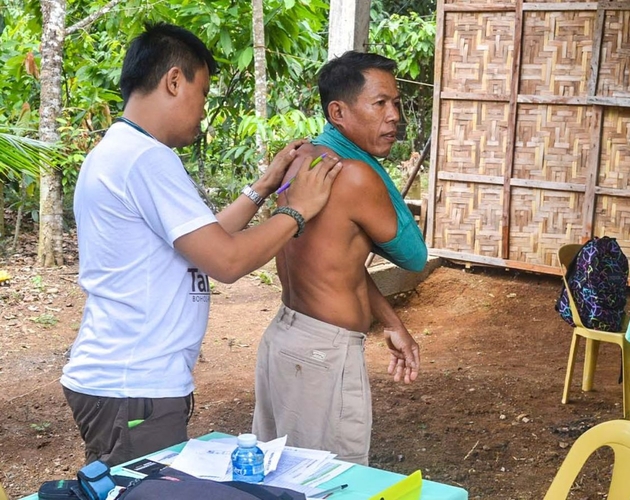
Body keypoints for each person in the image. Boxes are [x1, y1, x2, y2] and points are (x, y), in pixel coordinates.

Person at [60, 22, 342, 466]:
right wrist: (298, 210)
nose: (203, 110)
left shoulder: (124, 151)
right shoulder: (145, 158)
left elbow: (208, 238)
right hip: (132, 387)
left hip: (127, 384)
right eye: (203, 94)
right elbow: (226, 262)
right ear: (174, 80)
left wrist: (264, 186)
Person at [251, 51, 427, 465]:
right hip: (322, 356)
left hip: (285, 340)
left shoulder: (301, 159)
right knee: (332, 485)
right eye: (380, 102)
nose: (394, 116)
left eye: (396, 103)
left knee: (282, 481)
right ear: (338, 112)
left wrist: (392, 322)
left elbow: (338, 263)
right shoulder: (355, 175)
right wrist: (376, 173)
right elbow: (414, 255)